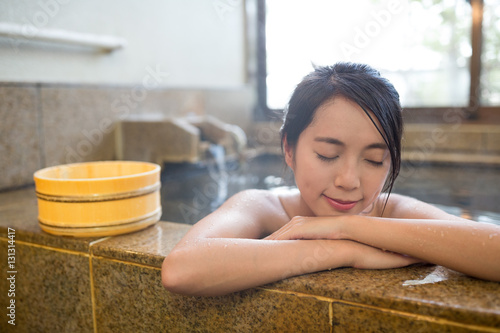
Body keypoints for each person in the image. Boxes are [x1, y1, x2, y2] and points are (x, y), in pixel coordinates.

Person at [161, 62, 500, 296]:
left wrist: (348, 227)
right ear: (289, 150)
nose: (349, 180)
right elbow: (181, 269)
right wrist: (342, 251)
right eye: (327, 154)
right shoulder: (262, 208)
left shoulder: (391, 211)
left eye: (374, 159)